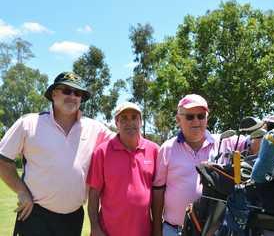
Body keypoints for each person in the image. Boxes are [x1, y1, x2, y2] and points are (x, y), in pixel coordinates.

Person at [0, 72, 113, 236]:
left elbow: (123, 144)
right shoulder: (29, 123)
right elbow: (3, 159)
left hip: (73, 218)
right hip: (35, 215)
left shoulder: (95, 128)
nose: (72, 96)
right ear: (53, 94)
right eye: (66, 90)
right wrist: (22, 191)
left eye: (77, 93)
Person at [151, 94, 248, 236]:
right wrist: (157, 230)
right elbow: (158, 191)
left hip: (215, 231)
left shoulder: (225, 142)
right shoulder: (167, 148)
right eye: (190, 116)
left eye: (201, 116)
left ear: (207, 118)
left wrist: (271, 128)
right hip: (174, 230)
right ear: (179, 119)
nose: (196, 121)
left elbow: (254, 143)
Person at [86, 102, 159, 236]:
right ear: (116, 123)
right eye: (123, 118)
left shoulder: (154, 150)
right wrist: (95, 228)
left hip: (143, 232)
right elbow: (94, 194)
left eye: (134, 117)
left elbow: (157, 195)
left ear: (141, 121)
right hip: (108, 231)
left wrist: (157, 229)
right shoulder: (102, 152)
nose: (129, 122)